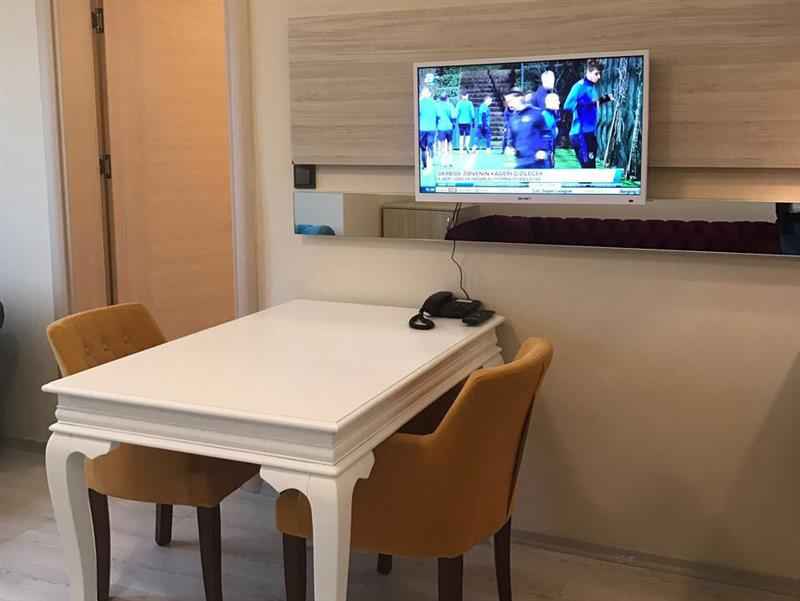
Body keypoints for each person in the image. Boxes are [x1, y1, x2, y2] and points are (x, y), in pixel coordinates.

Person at [563, 59, 614, 168]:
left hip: (590, 133)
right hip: (580, 134)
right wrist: (583, 106)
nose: (599, 77)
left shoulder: (591, 87)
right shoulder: (579, 86)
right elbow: (567, 105)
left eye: (599, 74)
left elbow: (591, 104)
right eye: (596, 74)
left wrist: (604, 99)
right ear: (588, 72)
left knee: (591, 168)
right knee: (588, 169)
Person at [505, 88, 560, 169]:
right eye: (507, 102)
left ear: (519, 98)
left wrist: (543, 149)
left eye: (510, 101)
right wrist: (510, 148)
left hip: (538, 161)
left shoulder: (536, 113)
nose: (509, 104)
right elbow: (511, 139)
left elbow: (547, 134)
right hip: (521, 162)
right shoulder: (512, 119)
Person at [418, 86, 438, 170]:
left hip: (422, 128)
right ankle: (431, 162)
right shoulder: (434, 103)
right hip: (432, 128)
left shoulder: (419, 103)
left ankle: (425, 165)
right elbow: (438, 116)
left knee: (423, 148)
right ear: (429, 94)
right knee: (430, 145)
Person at [435, 93, 455, 165]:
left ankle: (443, 161)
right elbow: (453, 116)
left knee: (442, 144)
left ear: (440, 98)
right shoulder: (450, 105)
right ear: (447, 98)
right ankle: (450, 161)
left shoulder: (437, 105)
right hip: (449, 127)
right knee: (450, 143)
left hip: (441, 127)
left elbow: (436, 116)